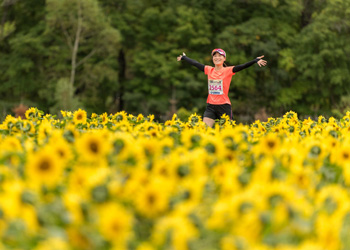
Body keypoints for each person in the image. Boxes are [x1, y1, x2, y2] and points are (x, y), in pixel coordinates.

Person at [177, 48, 267, 127]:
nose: (217, 58)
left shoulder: (228, 71)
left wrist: (255, 61)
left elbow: (242, 66)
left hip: (224, 106)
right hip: (211, 106)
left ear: (224, 58)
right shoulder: (209, 70)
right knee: (203, 130)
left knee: (228, 132)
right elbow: (196, 63)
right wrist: (184, 58)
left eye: (220, 56)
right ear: (212, 59)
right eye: (215, 56)